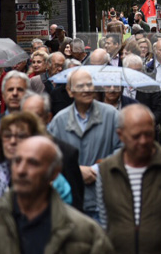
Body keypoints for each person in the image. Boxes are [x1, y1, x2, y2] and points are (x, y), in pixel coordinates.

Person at [0, 136, 114, 253]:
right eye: (17, 161)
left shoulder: (85, 233)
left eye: (33, 163)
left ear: (54, 173)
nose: (21, 170)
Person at [97, 104, 161, 253]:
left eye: (148, 134)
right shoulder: (107, 170)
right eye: (136, 136)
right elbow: (106, 221)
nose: (143, 141)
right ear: (121, 135)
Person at [0, 111, 72, 230]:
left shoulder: (51, 177)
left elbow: (65, 213)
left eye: (20, 136)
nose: (13, 141)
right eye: (7, 136)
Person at [47, 68, 122, 221]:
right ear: (70, 91)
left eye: (89, 84)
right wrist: (75, 170)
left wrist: (97, 169)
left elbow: (123, 149)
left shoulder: (111, 115)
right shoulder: (59, 121)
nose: (87, 89)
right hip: (70, 203)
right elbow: (49, 156)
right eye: (81, 86)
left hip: (104, 201)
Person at [21, 92, 85, 211]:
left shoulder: (66, 154)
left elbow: (76, 203)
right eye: (27, 116)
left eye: (37, 116)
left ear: (48, 118)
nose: (32, 122)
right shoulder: (14, 152)